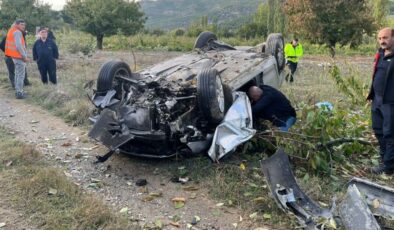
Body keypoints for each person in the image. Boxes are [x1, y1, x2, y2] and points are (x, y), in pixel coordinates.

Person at [367, 27, 394, 175]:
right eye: (380, 38)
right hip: (377, 100)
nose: (382, 41)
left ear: (393, 38)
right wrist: (371, 95)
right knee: (378, 131)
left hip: (390, 102)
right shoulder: (380, 53)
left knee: (390, 134)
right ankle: (385, 160)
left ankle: (389, 167)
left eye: (385, 38)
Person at [5, 19, 28, 99]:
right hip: (19, 56)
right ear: (17, 24)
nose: (23, 26)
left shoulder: (11, 30)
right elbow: (19, 46)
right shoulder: (17, 32)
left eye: (24, 25)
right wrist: (24, 56)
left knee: (17, 74)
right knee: (21, 75)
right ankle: (19, 92)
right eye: (22, 24)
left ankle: (18, 90)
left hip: (13, 56)